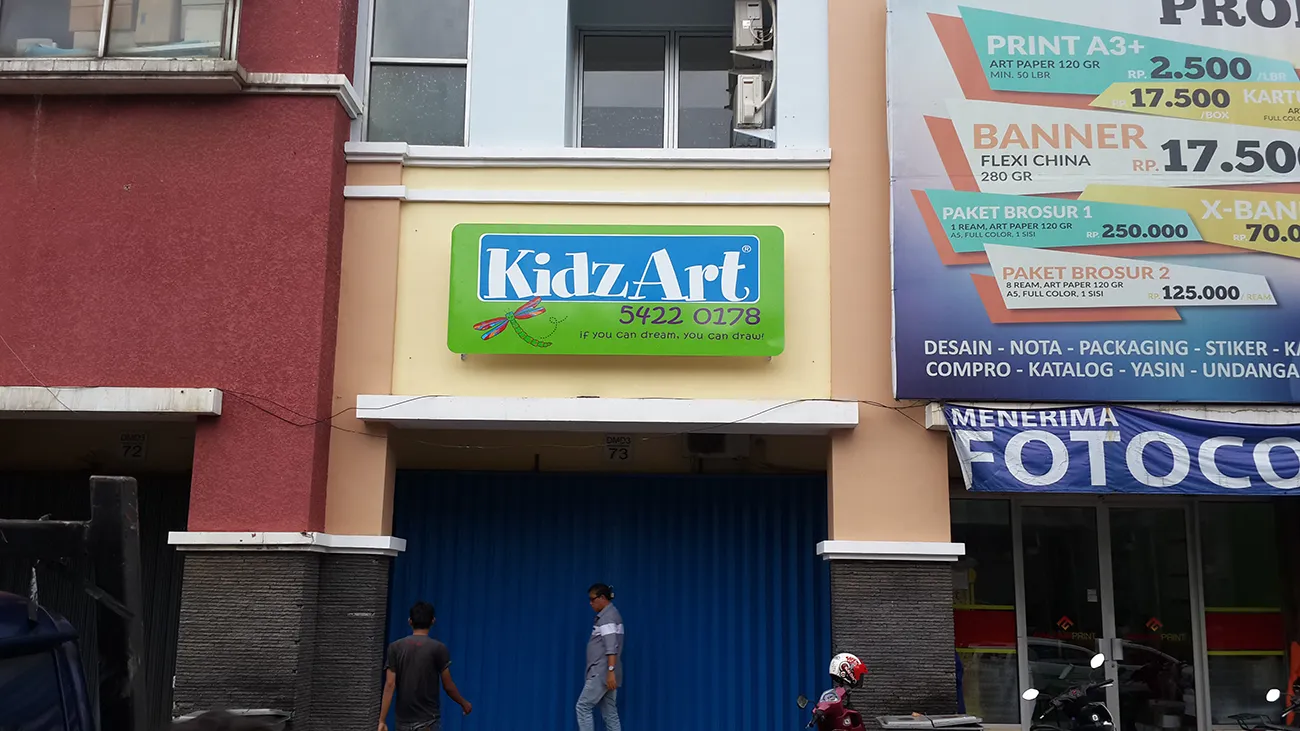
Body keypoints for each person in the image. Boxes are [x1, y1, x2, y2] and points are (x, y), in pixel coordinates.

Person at [379, 601, 472, 731]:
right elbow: (448, 686)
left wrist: (382, 720)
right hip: (428, 720)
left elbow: (390, 684)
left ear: (410, 621)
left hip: (403, 721)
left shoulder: (395, 647)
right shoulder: (438, 648)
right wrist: (463, 703)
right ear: (433, 621)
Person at [576, 582, 623, 731]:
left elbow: (611, 646)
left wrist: (610, 671)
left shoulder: (607, 618)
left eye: (592, 599)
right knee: (610, 712)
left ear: (602, 598)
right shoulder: (612, 614)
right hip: (607, 672)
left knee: (583, 706)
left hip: (601, 672)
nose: (590, 603)